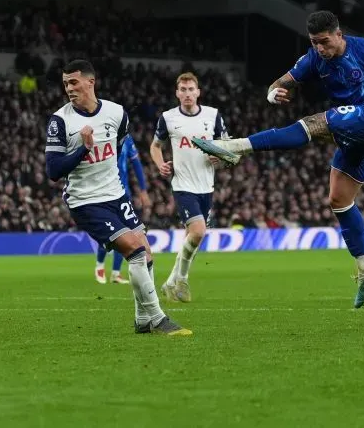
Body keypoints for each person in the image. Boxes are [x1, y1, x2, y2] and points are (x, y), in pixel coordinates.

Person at [192, 11, 364, 308]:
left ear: (338, 34)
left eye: (324, 41)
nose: (320, 48)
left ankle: (236, 147)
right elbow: (279, 83)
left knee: (312, 123)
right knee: (339, 199)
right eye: (314, 42)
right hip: (356, 132)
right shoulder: (313, 59)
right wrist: (273, 94)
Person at [45, 60, 190, 335]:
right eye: (65, 83)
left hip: (116, 194)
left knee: (146, 255)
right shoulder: (60, 120)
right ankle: (158, 318)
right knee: (134, 252)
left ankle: (142, 320)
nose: (69, 88)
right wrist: (83, 150)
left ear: (91, 81)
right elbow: (53, 170)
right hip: (85, 201)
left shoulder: (116, 113)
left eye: (74, 82)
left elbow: (120, 145)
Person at [150, 72, 228, 303]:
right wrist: (160, 164)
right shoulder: (168, 118)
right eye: (182, 90)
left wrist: (221, 159)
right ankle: (182, 280)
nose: (186, 93)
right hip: (183, 184)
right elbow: (155, 147)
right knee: (198, 231)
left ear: (198, 92)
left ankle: (169, 283)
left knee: (191, 241)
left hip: (207, 185)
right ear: (177, 93)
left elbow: (226, 147)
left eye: (190, 89)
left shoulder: (213, 116)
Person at [94, 135, 148, 285]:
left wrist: (143, 190)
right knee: (110, 232)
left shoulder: (127, 139)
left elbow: (136, 164)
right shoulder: (100, 134)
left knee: (125, 232)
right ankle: (99, 266)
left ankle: (116, 273)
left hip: (123, 193)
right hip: (104, 192)